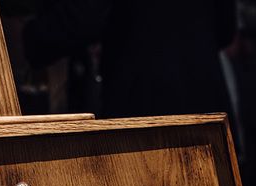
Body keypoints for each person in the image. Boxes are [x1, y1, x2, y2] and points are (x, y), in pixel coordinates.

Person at [22, 0, 236, 118]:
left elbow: (83, 18)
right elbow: (226, 29)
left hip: (143, 105)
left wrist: (22, 39)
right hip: (206, 101)